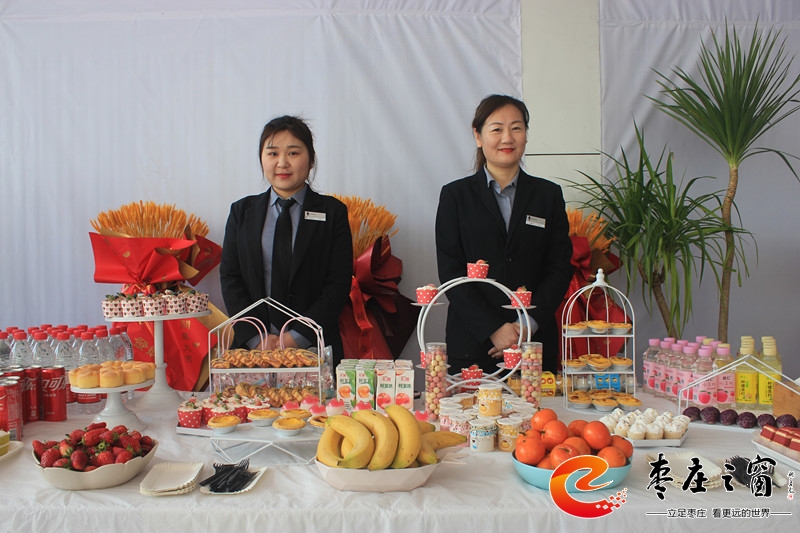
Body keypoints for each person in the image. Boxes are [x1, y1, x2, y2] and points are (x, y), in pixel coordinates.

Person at [435, 94, 574, 373]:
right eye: (497, 129)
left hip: (533, 344)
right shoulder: (455, 196)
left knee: (538, 405)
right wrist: (493, 328)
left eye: (516, 128)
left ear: (526, 135)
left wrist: (526, 325)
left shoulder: (548, 195)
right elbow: (451, 272)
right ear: (478, 136)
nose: (507, 138)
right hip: (474, 343)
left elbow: (559, 267)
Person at [220, 115, 353, 367]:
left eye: (293, 153)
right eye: (273, 153)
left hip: (314, 348)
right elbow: (230, 278)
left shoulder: (333, 212)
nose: (282, 163)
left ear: (311, 160)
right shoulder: (241, 212)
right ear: (262, 159)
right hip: (252, 352)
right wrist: (256, 338)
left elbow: (338, 283)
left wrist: (295, 338)